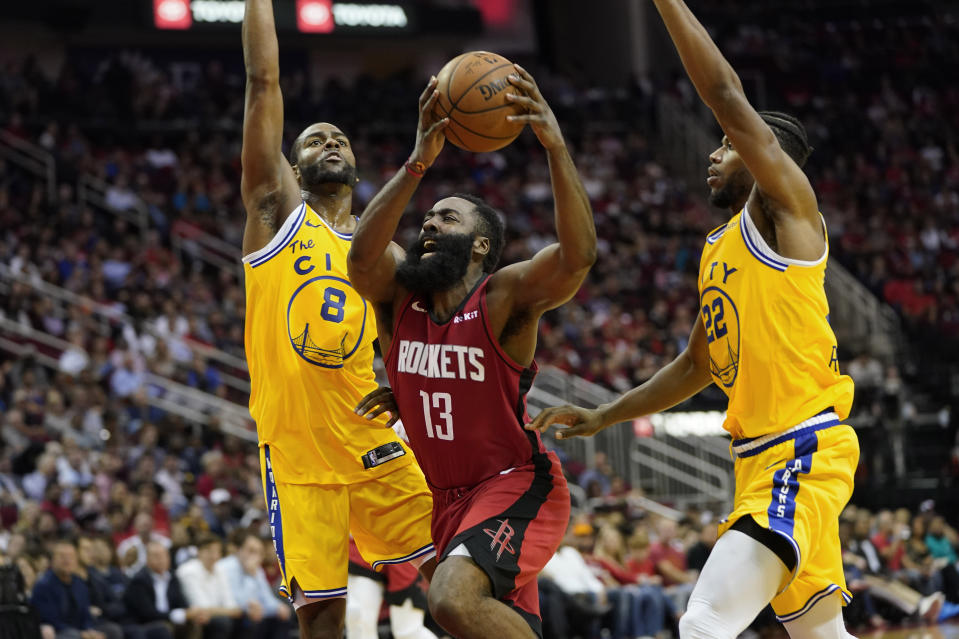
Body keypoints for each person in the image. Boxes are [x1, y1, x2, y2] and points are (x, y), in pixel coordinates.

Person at [528, 2, 862, 637]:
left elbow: (725, 93)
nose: (714, 153)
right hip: (758, 457)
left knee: (705, 622)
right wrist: (606, 415)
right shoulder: (718, 247)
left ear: (765, 158)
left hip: (801, 448)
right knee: (821, 635)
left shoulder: (785, 216)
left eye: (727, 144)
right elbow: (695, 366)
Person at [347, 65, 596, 639]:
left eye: (448, 218)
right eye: (427, 219)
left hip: (514, 483)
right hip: (449, 501)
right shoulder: (399, 299)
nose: (429, 224)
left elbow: (577, 257)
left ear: (481, 243)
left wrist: (556, 147)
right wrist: (419, 158)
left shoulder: (503, 297)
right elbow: (361, 258)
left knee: (451, 601)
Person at [239, 1, 435, 637]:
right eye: (315, 139)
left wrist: (407, 391)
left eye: (341, 139)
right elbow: (263, 81)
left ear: (355, 165)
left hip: (365, 432)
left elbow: (416, 340)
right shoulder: (275, 210)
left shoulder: (386, 253)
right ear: (294, 168)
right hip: (294, 448)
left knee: (459, 561)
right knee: (323, 615)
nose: (331, 144)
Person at [31, 539, 122, 639]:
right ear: (52, 560)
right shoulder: (43, 586)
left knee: (113, 630)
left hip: (80, 630)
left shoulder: (79, 583)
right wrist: (81, 634)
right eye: (62, 556)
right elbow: (51, 620)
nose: (67, 560)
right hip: (58, 632)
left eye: (71, 557)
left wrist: (90, 631)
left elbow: (85, 614)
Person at [215, 531, 294, 639]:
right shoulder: (227, 566)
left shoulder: (256, 569)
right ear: (239, 549)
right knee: (252, 618)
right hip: (230, 613)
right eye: (251, 551)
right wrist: (250, 576)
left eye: (259, 553)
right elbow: (236, 600)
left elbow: (266, 597)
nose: (255, 556)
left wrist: (278, 607)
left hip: (254, 613)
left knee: (282, 616)